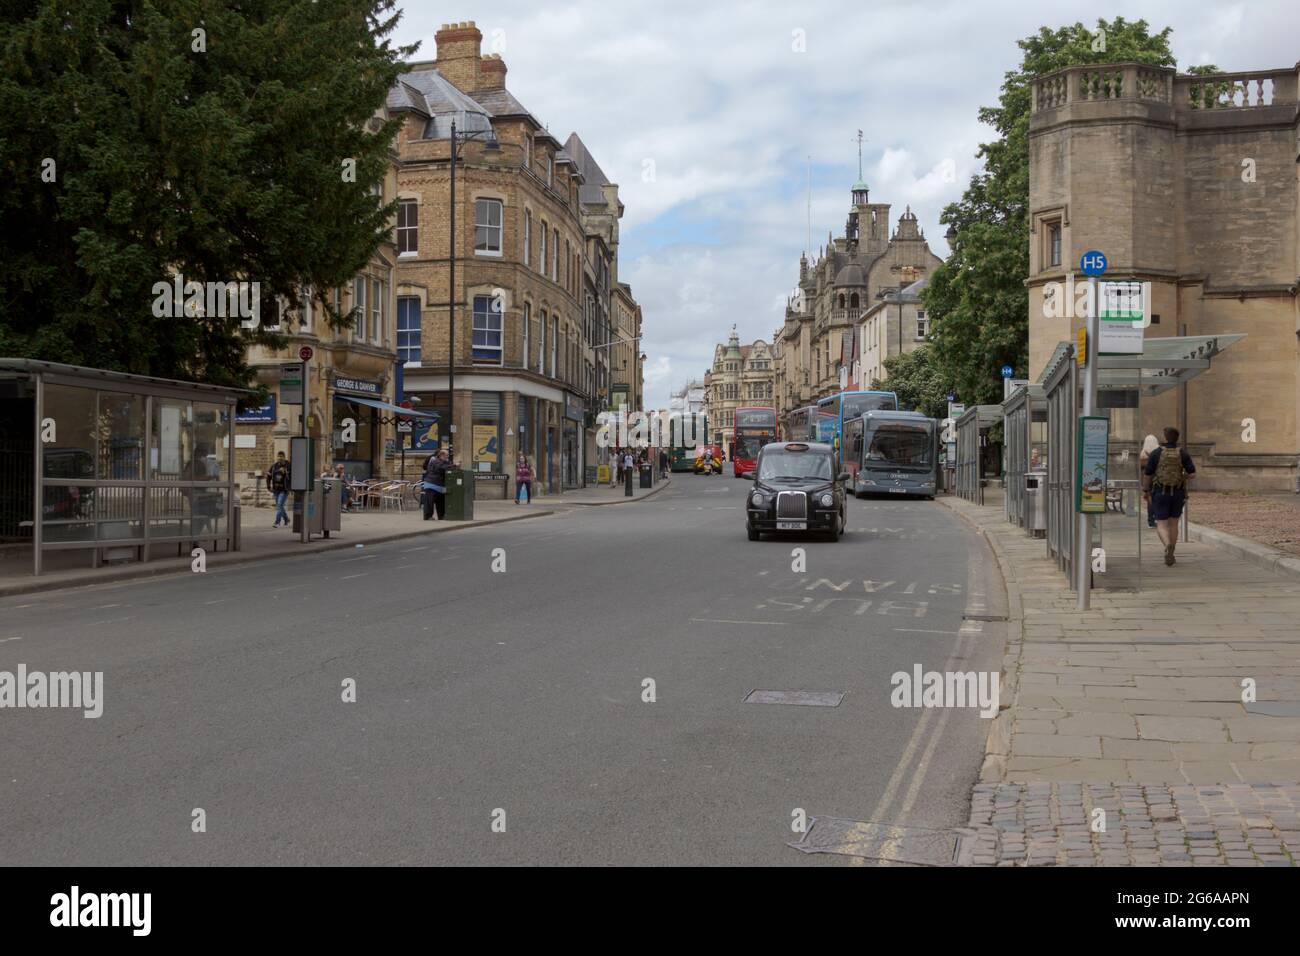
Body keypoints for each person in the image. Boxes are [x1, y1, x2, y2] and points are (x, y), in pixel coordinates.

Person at [1144, 427, 1195, 566]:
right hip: (1178, 492)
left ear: (1165, 438)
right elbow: (1192, 473)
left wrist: (1145, 490)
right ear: (1177, 438)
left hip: (1160, 492)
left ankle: (1167, 546)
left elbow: (1148, 474)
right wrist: (1181, 477)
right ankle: (1172, 547)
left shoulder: (1156, 453)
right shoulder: (1182, 453)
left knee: (1161, 524)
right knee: (1173, 524)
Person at [422, 449, 451, 521]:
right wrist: (454, 465)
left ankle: (441, 516)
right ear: (441, 455)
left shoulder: (444, 462)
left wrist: (453, 465)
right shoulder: (435, 461)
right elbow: (442, 468)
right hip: (431, 485)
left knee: (441, 501)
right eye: (446, 455)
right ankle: (428, 516)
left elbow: (447, 466)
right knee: (429, 502)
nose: (448, 457)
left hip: (439, 486)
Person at [1138, 434, 1159, 529]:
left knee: (1149, 500)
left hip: (1147, 479)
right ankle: (1157, 517)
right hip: (1157, 478)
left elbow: (1142, 469)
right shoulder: (1158, 453)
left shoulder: (1143, 454)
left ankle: (1150, 520)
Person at [266, 451, 291, 527]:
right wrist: (268, 486)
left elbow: (291, 476)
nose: (279, 458)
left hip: (284, 489)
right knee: (279, 506)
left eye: (281, 456)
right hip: (276, 489)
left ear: (284, 457)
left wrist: (286, 472)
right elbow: (268, 476)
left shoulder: (288, 465)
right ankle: (286, 519)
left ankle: (277, 522)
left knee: (279, 505)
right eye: (278, 456)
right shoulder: (274, 466)